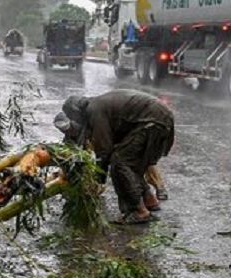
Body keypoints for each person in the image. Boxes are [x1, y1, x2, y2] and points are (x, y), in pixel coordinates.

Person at [54, 89, 174, 224]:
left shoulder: (94, 111)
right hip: (159, 118)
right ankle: (149, 200)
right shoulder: (97, 105)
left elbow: (104, 150)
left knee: (119, 164)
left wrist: (99, 178)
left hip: (153, 121)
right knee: (132, 165)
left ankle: (138, 211)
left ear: (78, 112)